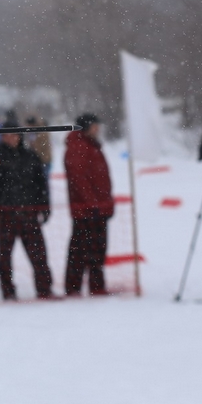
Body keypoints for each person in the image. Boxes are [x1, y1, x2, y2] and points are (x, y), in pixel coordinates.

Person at [0, 127, 53, 300]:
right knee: (5, 257)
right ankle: (8, 291)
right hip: (6, 216)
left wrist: (45, 207)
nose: (10, 138)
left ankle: (44, 288)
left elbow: (41, 184)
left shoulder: (30, 156)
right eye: (7, 135)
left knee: (39, 254)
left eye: (13, 134)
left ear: (19, 136)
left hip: (29, 215)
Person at [64, 113, 115, 296]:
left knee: (97, 249)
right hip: (86, 210)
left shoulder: (91, 145)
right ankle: (74, 287)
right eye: (94, 126)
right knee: (81, 250)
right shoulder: (78, 147)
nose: (98, 129)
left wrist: (105, 204)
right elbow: (79, 180)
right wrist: (92, 204)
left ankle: (96, 285)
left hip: (97, 208)